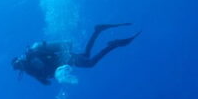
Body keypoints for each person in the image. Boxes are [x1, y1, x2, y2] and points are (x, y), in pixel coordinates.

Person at [12, 23, 140, 85]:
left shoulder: (30, 65)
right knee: (86, 55)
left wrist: (46, 80)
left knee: (90, 63)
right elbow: (43, 78)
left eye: (19, 66)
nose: (21, 67)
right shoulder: (30, 65)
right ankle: (98, 31)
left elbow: (44, 79)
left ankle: (113, 45)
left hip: (66, 59)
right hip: (65, 59)